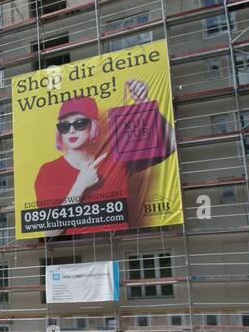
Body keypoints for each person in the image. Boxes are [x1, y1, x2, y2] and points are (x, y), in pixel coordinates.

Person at [31, 83, 174, 236]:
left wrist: (145, 103)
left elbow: (171, 144)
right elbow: (50, 232)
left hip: (118, 245)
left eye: (79, 123)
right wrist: (80, 185)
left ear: (93, 126)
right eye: (64, 126)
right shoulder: (48, 171)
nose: (71, 130)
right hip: (76, 248)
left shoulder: (115, 159)